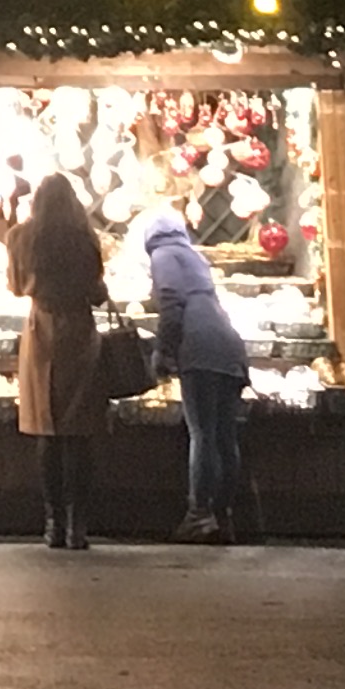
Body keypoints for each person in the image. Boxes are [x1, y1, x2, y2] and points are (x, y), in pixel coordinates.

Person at [133, 204, 252, 543]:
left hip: (199, 350)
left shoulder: (163, 256)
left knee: (202, 435)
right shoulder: (195, 256)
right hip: (228, 344)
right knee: (225, 437)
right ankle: (223, 514)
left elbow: (171, 305)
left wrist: (162, 351)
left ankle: (199, 515)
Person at [10, 172, 110, 551]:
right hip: (80, 336)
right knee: (79, 434)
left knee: (46, 430)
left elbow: (17, 287)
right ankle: (78, 525)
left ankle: (53, 522)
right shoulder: (85, 239)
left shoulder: (21, 238)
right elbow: (96, 290)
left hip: (41, 335)